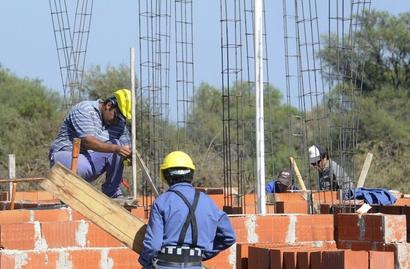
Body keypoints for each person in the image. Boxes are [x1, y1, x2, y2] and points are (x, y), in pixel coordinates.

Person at [139, 151, 236, 269]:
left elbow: (153, 245)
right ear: (191, 174)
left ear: (164, 175)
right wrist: (203, 253)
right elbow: (229, 236)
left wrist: (145, 262)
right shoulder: (209, 203)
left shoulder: (162, 202)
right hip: (195, 264)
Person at [49, 89, 132, 198]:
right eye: (117, 116)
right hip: (65, 158)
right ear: (109, 105)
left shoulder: (119, 124)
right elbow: (88, 142)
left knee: (118, 146)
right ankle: (71, 191)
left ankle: (111, 191)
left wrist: (129, 157)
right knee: (116, 147)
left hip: (88, 163)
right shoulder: (84, 110)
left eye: (122, 118)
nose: (118, 121)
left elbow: (126, 149)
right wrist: (117, 149)